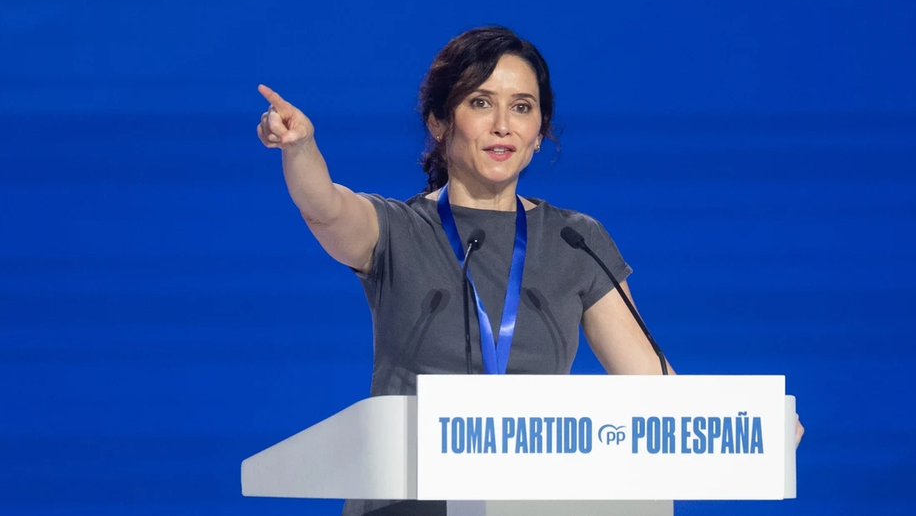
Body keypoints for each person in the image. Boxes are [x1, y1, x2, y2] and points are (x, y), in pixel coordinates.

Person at [256, 26, 803, 516]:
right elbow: (325, 206)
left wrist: (754, 428)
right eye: (480, 102)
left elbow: (655, 392)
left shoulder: (575, 241)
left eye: (522, 107)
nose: (502, 125)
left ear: (540, 130)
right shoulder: (398, 230)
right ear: (440, 122)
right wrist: (300, 149)